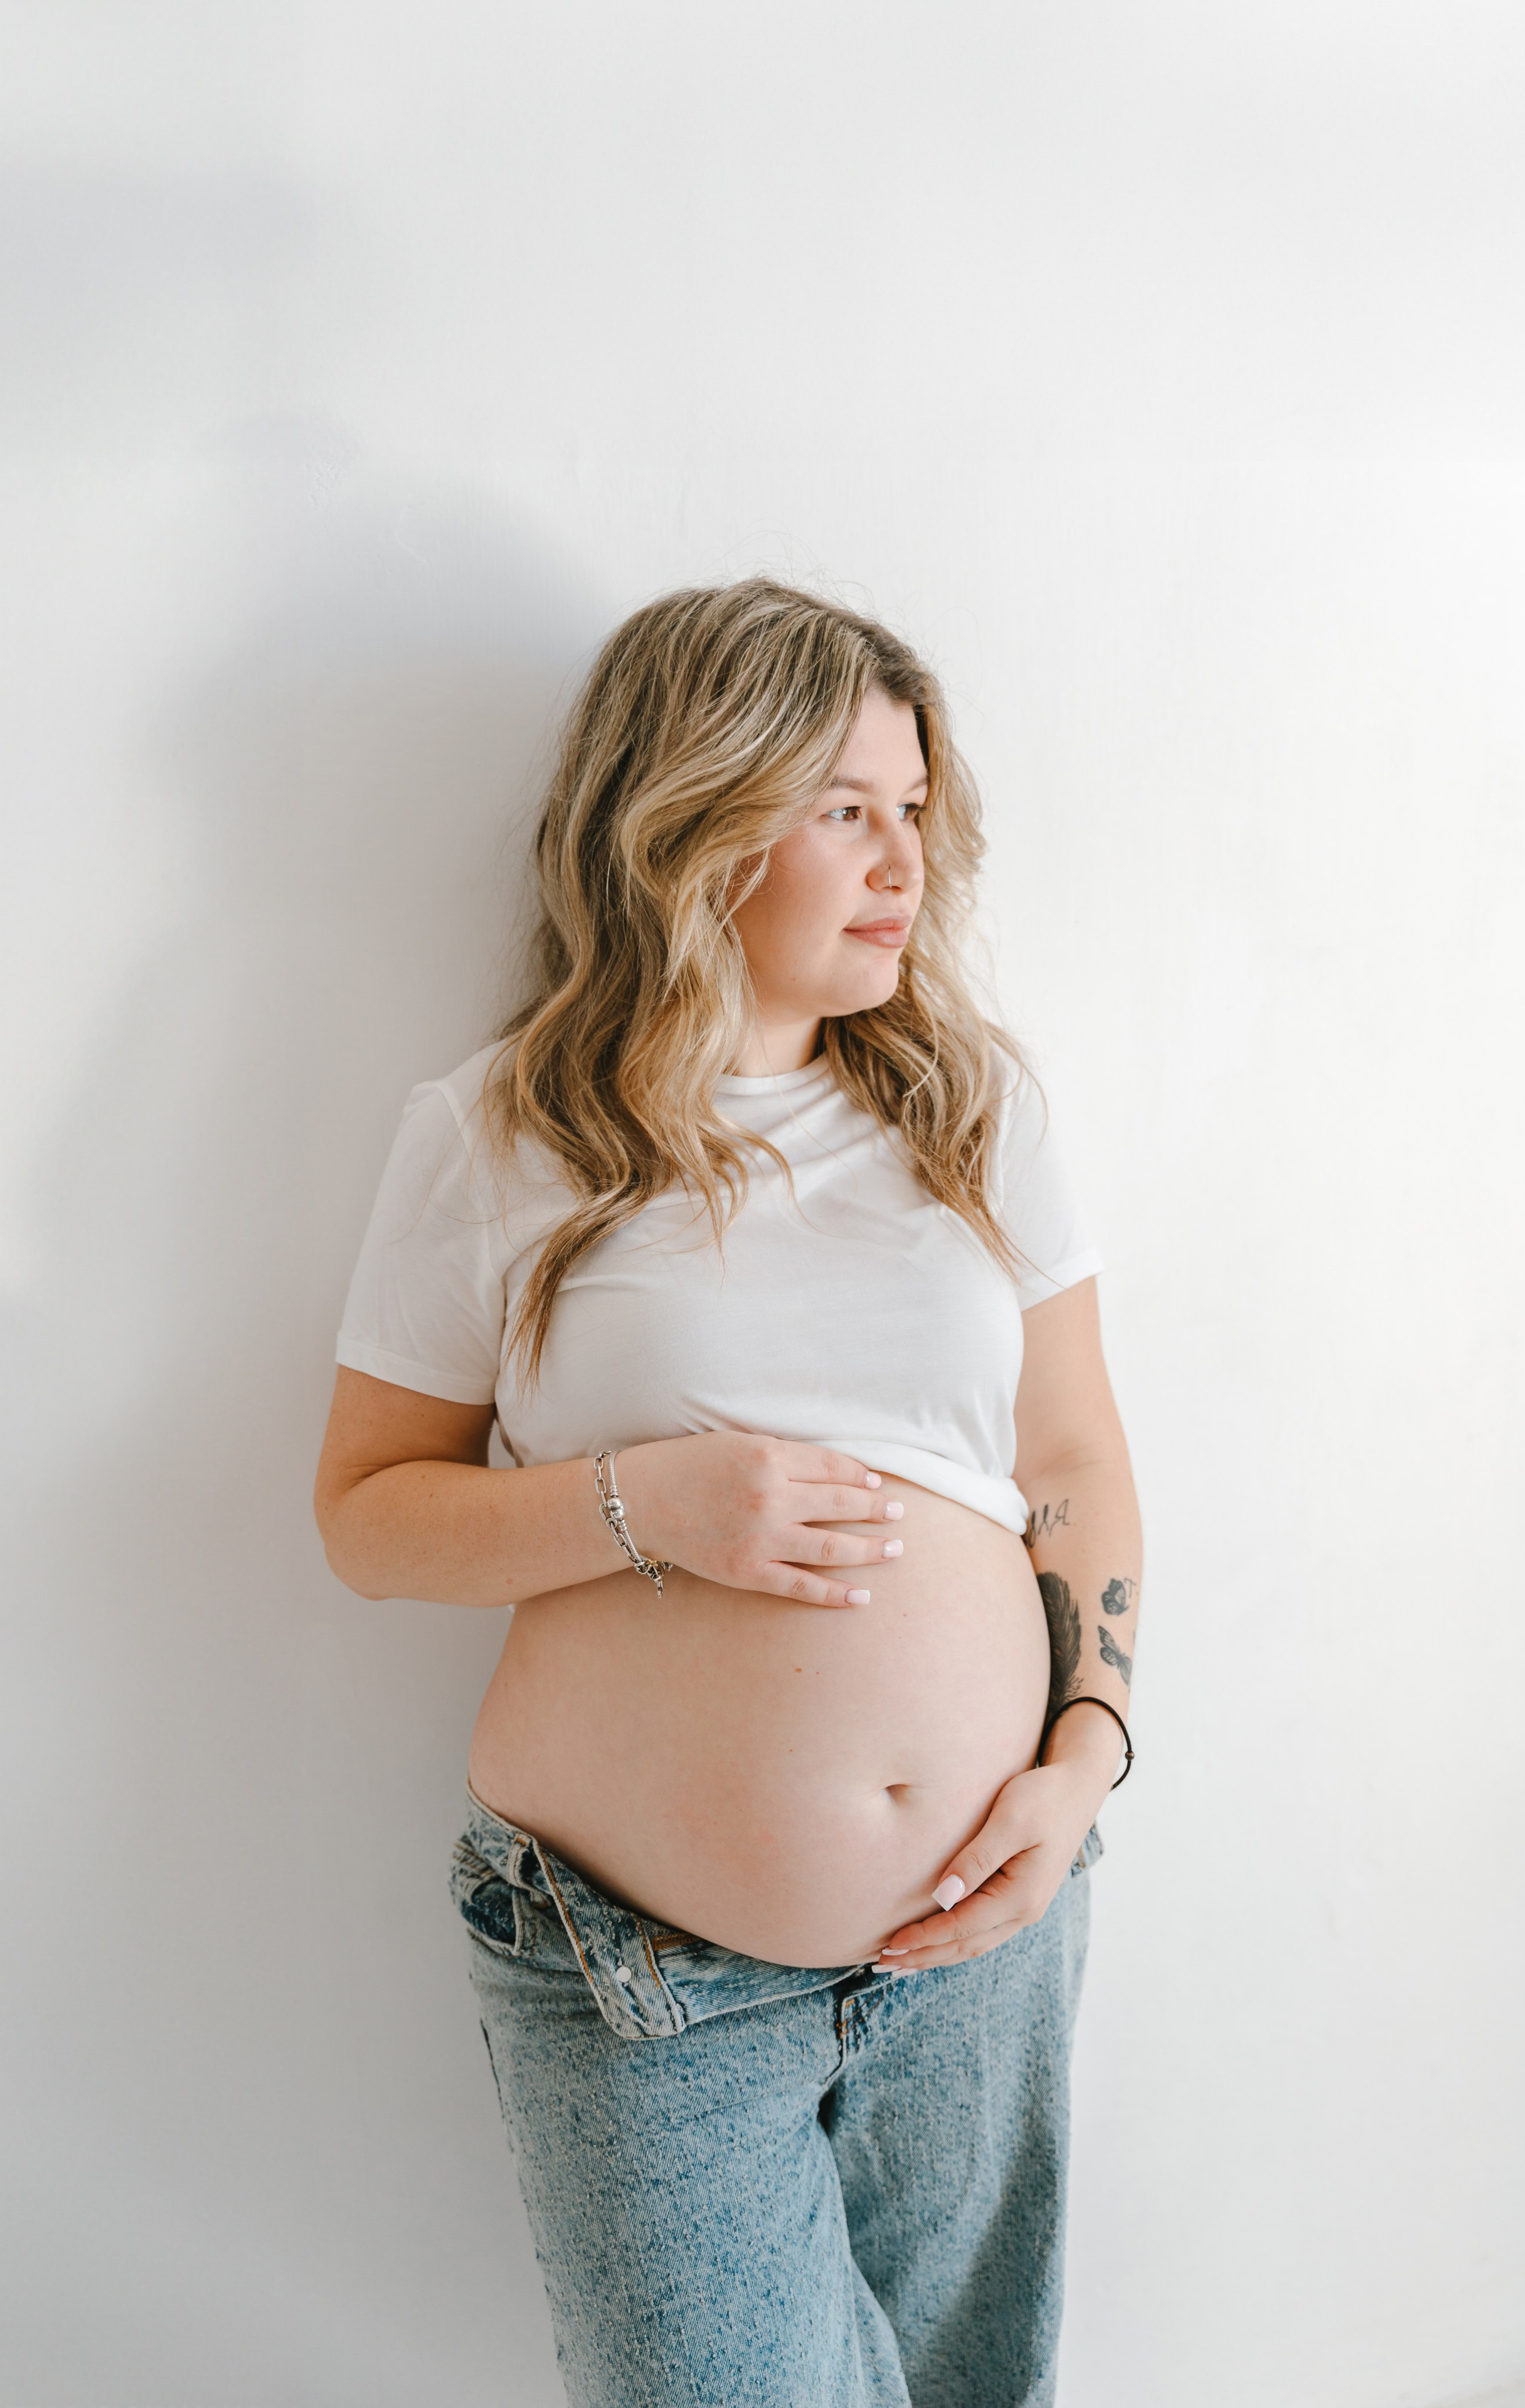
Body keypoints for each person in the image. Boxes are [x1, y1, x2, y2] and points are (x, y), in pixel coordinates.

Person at [314, 578, 1142, 2408]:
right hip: (635, 1963)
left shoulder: (975, 1110)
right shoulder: (502, 1132)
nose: (903, 861)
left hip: (985, 1928)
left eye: (913, 808)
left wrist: (1086, 1757)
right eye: (845, 807)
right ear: (690, 813)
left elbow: (1073, 1460)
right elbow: (366, 1512)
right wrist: (647, 1505)